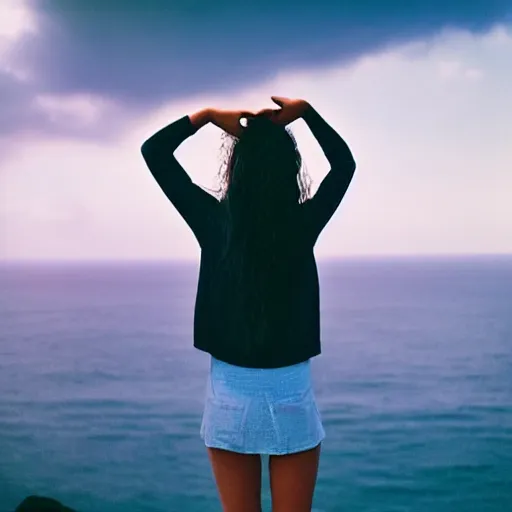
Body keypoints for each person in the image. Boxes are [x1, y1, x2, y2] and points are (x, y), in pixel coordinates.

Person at [141, 96, 356, 512]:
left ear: (234, 170)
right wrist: (307, 114)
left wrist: (205, 117)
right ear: (289, 171)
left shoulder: (214, 222)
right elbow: (344, 166)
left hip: (230, 400)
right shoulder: (301, 225)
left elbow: (154, 152)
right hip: (291, 397)